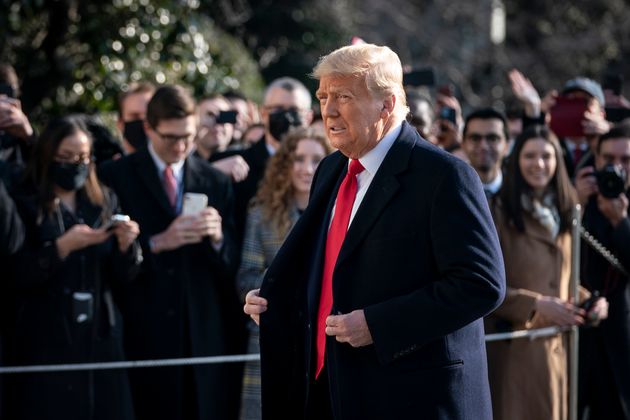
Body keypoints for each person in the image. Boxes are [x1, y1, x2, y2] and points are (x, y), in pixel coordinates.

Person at [244, 43, 505, 420]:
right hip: (330, 390)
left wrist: (378, 326)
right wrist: (278, 301)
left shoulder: (444, 176)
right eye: (323, 97)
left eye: (343, 97)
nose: (328, 110)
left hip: (413, 399)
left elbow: (482, 284)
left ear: (387, 104)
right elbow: (333, 268)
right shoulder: (331, 169)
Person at [99, 85, 239, 420]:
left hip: (201, 333)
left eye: (188, 137)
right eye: (170, 138)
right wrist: (158, 242)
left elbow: (232, 262)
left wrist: (218, 237)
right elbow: (105, 259)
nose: (179, 147)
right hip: (143, 329)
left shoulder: (213, 180)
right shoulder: (115, 176)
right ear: (148, 128)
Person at [3, 115, 141, 420]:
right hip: (44, 339)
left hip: (99, 336)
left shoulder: (103, 199)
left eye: (82, 157)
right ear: (48, 156)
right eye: (65, 157)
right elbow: (15, 271)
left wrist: (126, 245)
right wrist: (61, 247)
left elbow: (125, 277)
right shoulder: (24, 200)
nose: (75, 165)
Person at [485, 124, 608, 420]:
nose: (538, 164)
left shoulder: (566, 213)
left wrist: (589, 302)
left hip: (561, 351)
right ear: (516, 161)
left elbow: (560, 279)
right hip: (515, 351)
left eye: (546, 156)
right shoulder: (497, 212)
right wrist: (535, 305)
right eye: (529, 156)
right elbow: (484, 287)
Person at [237, 127, 331, 420]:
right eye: (298, 159)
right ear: (285, 164)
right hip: (272, 332)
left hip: (324, 335)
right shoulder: (261, 214)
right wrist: (282, 285)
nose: (307, 168)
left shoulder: (338, 211)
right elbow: (247, 276)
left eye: (316, 159)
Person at [210, 77, 313, 246]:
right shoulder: (230, 162)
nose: (286, 116)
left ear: (308, 118)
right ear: (264, 114)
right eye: (278, 108)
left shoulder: (323, 168)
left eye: (294, 110)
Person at [575, 122, 630, 419]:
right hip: (580, 335)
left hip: (623, 339)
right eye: (608, 159)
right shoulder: (580, 200)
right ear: (595, 161)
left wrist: (622, 224)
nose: (616, 167)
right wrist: (574, 205)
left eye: (625, 160)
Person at [461, 108, 510, 198]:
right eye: (475, 138)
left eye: (493, 138)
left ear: (507, 146)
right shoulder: (450, 189)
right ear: (463, 144)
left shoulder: (519, 192)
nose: (484, 146)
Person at [116, 81, 155, 155]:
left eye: (149, 116)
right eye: (135, 116)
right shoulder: (110, 166)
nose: (144, 122)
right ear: (120, 123)